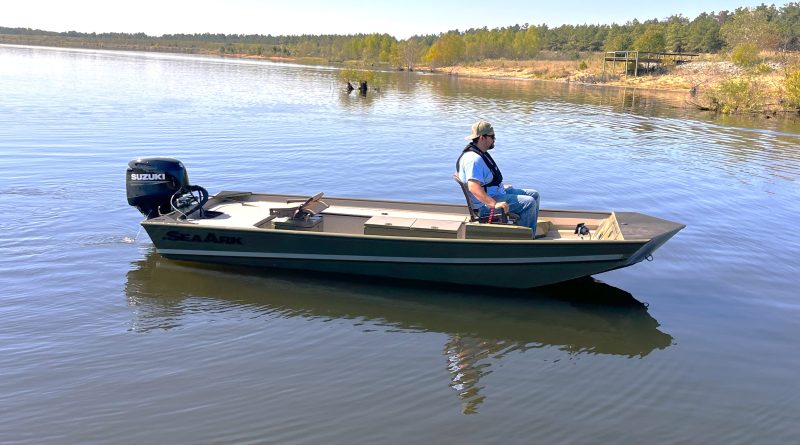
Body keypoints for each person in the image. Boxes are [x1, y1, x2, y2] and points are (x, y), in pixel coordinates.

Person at [455, 120, 541, 237]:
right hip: (485, 206)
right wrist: (494, 204)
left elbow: (484, 181)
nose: (494, 139)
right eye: (492, 136)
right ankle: (525, 239)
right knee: (529, 203)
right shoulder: (474, 160)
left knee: (534, 194)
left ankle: (529, 230)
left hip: (494, 193)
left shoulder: (480, 153)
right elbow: (473, 187)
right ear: (482, 138)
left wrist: (499, 186)